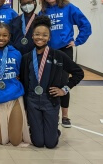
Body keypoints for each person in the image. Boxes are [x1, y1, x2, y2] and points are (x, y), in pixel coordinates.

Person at [20, 15, 84, 148]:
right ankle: (39, 128)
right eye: (37, 34)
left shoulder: (59, 56)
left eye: (44, 35)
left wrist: (64, 89)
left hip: (50, 101)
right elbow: (23, 79)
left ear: (49, 37)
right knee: (38, 142)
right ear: (32, 36)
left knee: (50, 143)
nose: (40, 37)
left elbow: (79, 73)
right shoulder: (26, 58)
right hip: (32, 101)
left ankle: (54, 130)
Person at [39, 0, 91, 128]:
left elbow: (85, 25)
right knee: (49, 82)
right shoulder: (43, 11)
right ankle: (50, 112)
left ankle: (65, 116)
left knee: (63, 82)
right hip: (48, 51)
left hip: (64, 50)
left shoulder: (68, 8)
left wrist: (78, 41)